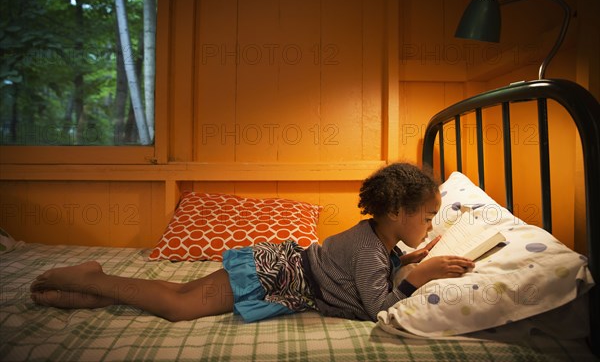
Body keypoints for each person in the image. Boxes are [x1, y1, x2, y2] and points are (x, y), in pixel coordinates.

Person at [30, 162, 475, 323]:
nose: (431, 225)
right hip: (274, 273)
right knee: (180, 304)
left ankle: (83, 292)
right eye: (429, 216)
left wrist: (408, 259)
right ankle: (96, 277)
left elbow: (379, 269)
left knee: (179, 297)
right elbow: (379, 306)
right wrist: (419, 275)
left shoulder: (379, 240)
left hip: (284, 269)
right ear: (398, 213)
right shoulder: (367, 250)